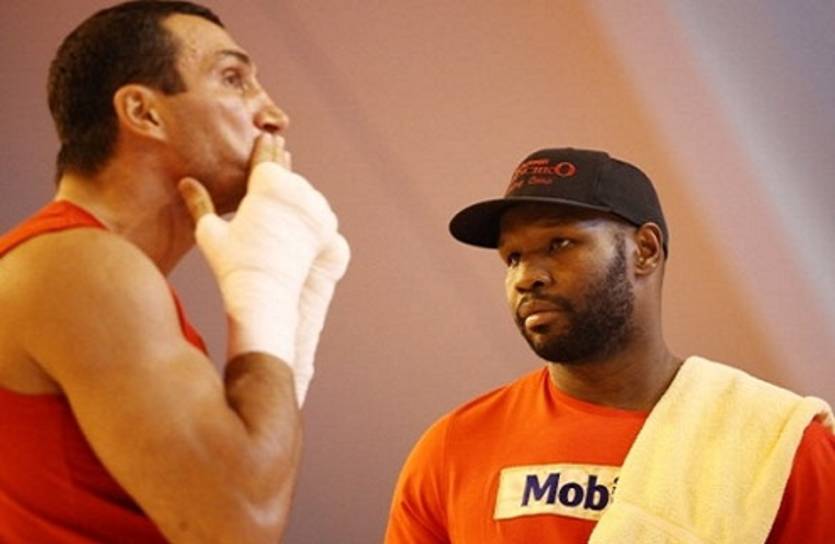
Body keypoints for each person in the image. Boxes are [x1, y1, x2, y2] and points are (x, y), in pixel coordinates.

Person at [0, 1, 349, 542]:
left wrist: (292, 320)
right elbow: (240, 525)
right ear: (144, 112)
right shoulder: (79, 265)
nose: (275, 115)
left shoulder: (99, 272)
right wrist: (268, 290)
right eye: (233, 79)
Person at [384, 148, 835, 543]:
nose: (526, 277)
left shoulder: (778, 447)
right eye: (513, 257)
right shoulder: (452, 449)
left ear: (645, 250)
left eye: (559, 243)